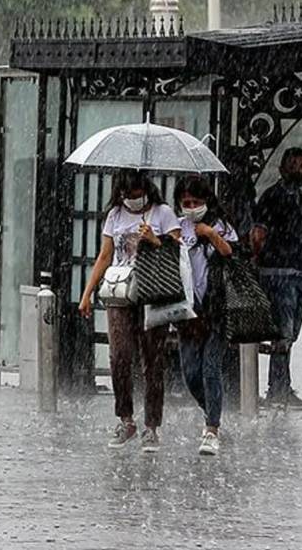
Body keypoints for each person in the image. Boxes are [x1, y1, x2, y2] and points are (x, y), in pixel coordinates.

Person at [79, 170, 181, 453]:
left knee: (152, 359)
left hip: (153, 292)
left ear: (145, 189)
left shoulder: (163, 213)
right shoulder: (114, 215)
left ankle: (152, 425)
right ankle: (126, 418)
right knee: (119, 356)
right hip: (121, 293)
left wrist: (154, 239)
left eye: (136, 194)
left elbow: (177, 251)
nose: (132, 200)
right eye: (127, 195)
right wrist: (87, 293)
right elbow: (105, 255)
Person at [174, 176, 237, 456]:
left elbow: (231, 253)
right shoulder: (177, 226)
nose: (191, 207)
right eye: (186, 203)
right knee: (191, 372)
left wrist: (210, 233)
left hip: (217, 310)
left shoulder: (221, 225)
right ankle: (211, 409)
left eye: (196, 202)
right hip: (188, 312)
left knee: (210, 368)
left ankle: (212, 428)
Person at [250, 147, 302, 410]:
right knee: (283, 333)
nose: (301, 170)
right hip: (278, 274)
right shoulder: (271, 198)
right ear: (282, 169)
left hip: (299, 273)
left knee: (291, 333)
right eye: (296, 165)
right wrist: (258, 262)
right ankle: (278, 388)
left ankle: (280, 385)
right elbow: (258, 234)